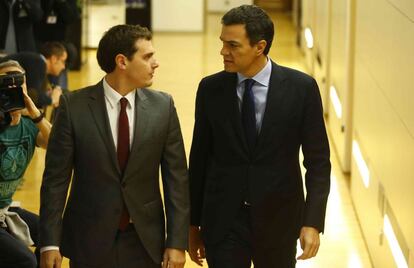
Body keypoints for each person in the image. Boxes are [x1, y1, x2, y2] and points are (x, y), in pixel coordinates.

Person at [188, 5, 331, 268]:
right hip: (224, 222)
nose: (223, 52)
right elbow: (199, 161)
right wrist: (192, 225)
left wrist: (312, 222)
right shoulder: (210, 89)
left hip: (279, 222)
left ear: (260, 46)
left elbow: (318, 163)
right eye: (222, 43)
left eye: (232, 45)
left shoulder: (302, 89)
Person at [39, 24, 189, 268]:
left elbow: (177, 179)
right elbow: (55, 180)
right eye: (148, 56)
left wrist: (176, 242)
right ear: (122, 61)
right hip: (88, 240)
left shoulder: (163, 106)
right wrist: (50, 243)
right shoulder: (73, 106)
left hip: (146, 241)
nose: (156, 63)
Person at [0, 60, 52, 268]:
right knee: (25, 261)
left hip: (5, 207)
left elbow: (58, 144)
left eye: (17, 81)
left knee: (51, 237)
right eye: (5, 81)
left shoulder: (30, 125)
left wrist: (34, 111)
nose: (12, 87)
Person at [1, 42, 66, 108]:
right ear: (54, 59)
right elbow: (33, 96)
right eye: (63, 61)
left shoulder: (36, 61)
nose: (64, 67)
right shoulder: (39, 63)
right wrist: (52, 99)